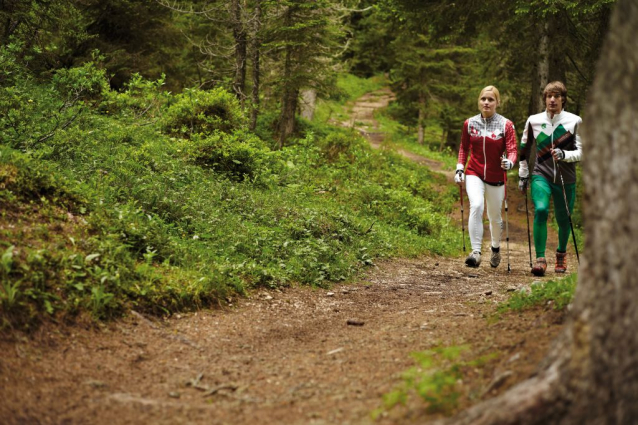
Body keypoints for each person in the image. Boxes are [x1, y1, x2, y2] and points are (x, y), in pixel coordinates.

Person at [518, 81, 583, 276]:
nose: (552, 99)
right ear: (544, 99)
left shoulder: (574, 121)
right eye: (549, 96)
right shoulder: (534, 120)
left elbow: (583, 151)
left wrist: (565, 155)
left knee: (564, 220)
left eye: (556, 96)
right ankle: (540, 259)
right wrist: (523, 173)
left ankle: (561, 254)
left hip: (566, 177)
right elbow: (525, 148)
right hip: (541, 174)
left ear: (563, 99)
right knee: (541, 209)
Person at [455, 85, 518, 268]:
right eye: (483, 99)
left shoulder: (506, 124)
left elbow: (512, 150)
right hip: (474, 171)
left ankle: (495, 248)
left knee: (494, 217)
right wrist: (460, 167)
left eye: (490, 99)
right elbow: (463, 148)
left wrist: (510, 162)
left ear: (497, 102)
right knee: (476, 205)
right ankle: (475, 252)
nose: (486, 102)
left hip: (496, 174)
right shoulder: (470, 123)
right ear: (479, 101)